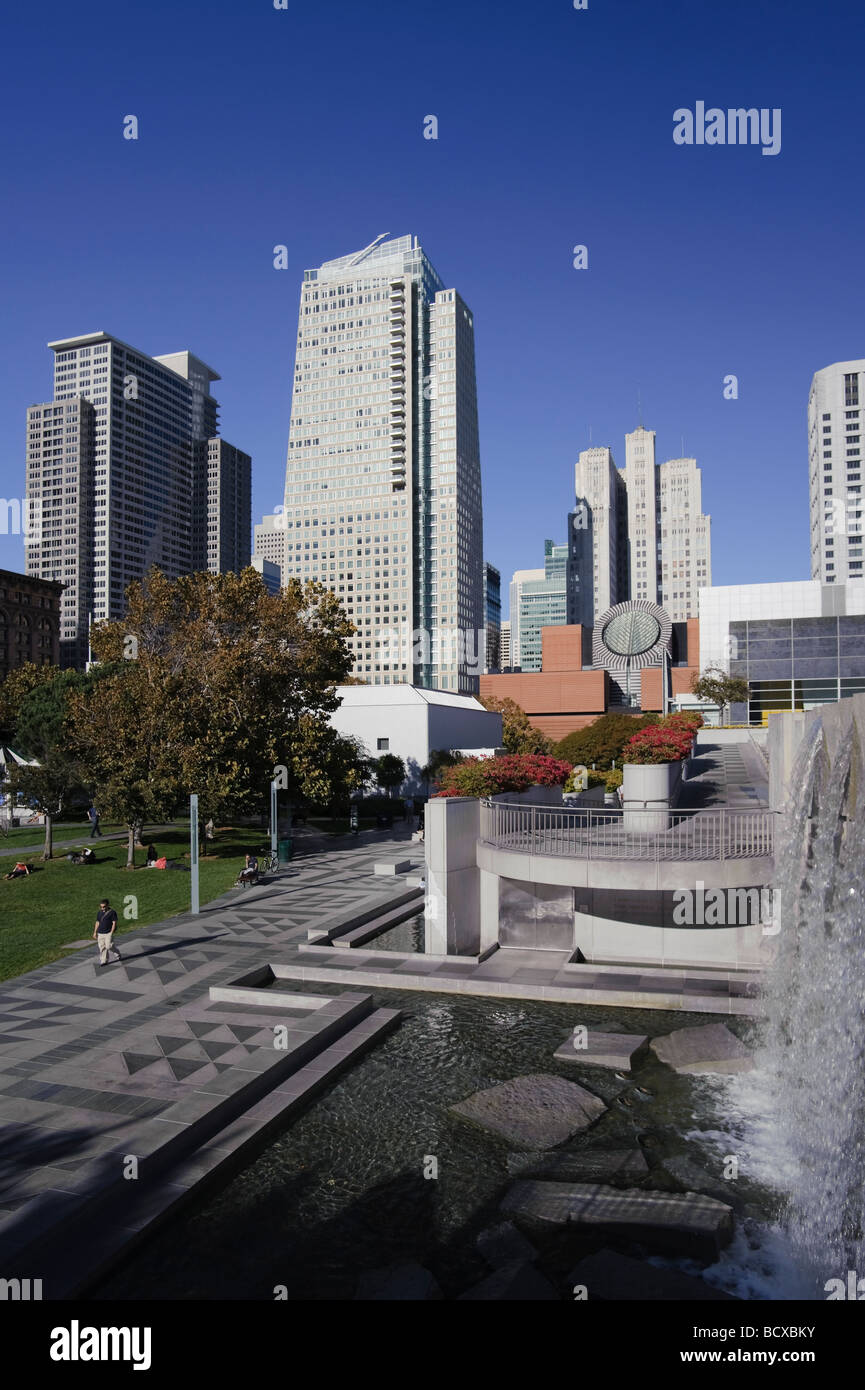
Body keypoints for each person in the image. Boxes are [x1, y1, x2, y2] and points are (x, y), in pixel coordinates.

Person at [92, 898, 122, 966]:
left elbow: (114, 923)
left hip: (108, 932)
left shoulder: (112, 912)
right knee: (102, 947)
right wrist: (95, 932)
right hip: (100, 933)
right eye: (101, 907)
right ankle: (104, 960)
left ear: (108, 905)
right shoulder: (99, 913)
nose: (102, 908)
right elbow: (97, 922)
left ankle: (117, 953)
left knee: (109, 946)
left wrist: (111, 932)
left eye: (104, 906)